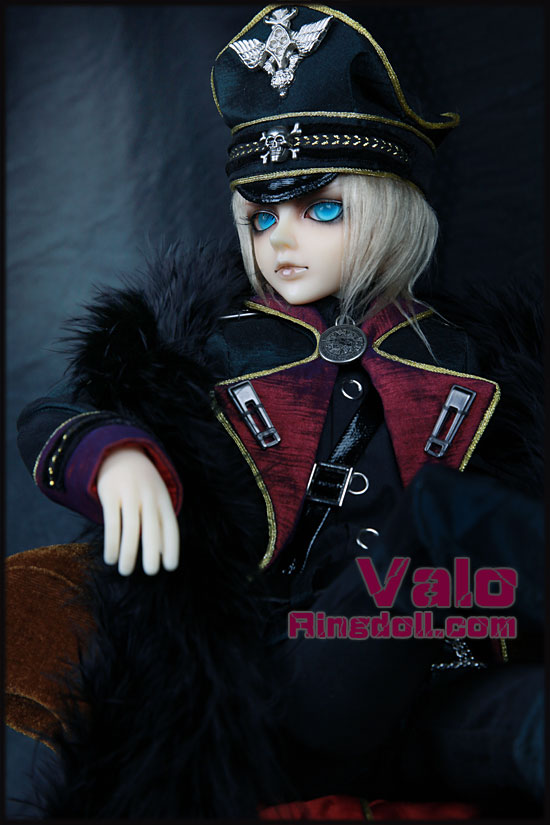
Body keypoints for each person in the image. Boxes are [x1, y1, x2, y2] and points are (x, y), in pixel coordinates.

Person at [11, 4, 543, 819]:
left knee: (531, 720)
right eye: (262, 215)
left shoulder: (465, 352)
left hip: (442, 683)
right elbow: (54, 416)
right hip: (297, 683)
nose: (281, 240)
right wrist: (115, 456)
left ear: (386, 207)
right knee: (441, 513)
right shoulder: (216, 346)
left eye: (320, 209)